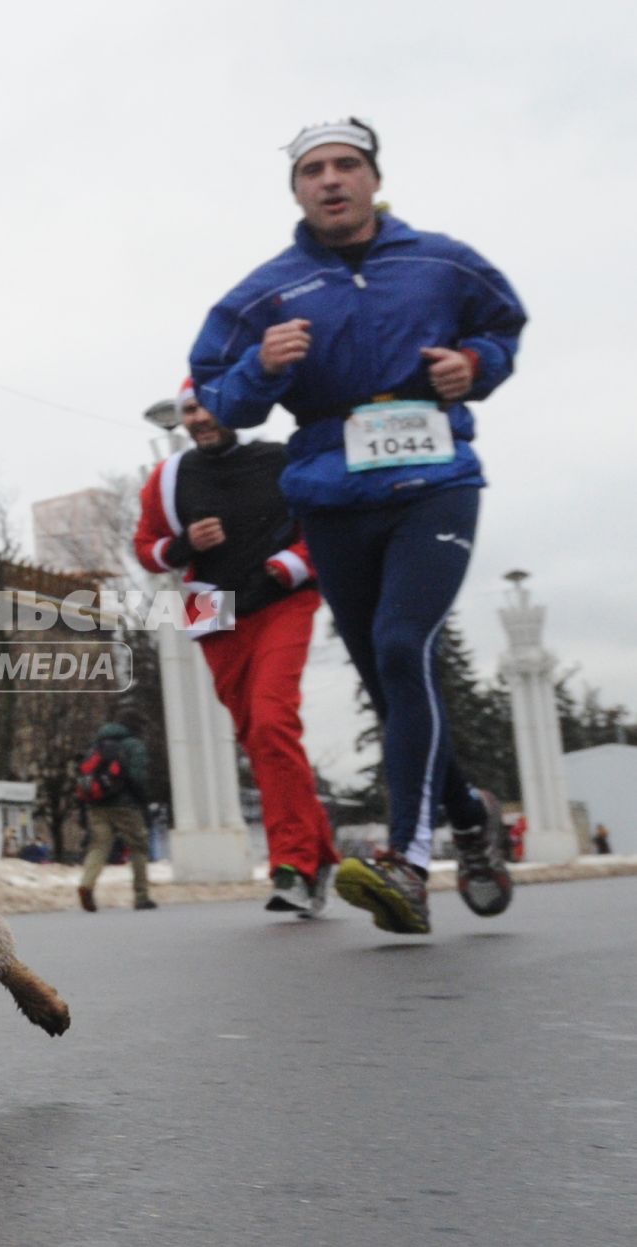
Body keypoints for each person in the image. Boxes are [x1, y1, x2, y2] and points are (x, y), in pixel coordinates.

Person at [190, 117, 527, 934]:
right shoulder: (263, 292)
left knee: (401, 645)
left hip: (432, 479)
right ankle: (470, 818)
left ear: (373, 179)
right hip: (331, 492)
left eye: (346, 165)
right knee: (385, 680)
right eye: (313, 170)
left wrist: (475, 365)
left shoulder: (440, 261)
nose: (331, 180)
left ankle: (408, 863)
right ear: (296, 190)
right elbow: (213, 397)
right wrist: (261, 366)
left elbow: (501, 325)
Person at [135, 378, 339, 918]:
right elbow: (147, 550)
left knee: (273, 723)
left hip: (280, 599)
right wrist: (183, 545)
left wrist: (288, 565)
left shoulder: (279, 459)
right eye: (190, 411)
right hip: (210, 608)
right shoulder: (168, 476)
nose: (200, 418)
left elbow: (325, 522)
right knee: (258, 738)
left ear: (235, 410)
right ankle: (318, 857)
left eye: (208, 407)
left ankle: (293, 865)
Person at [75, 716, 157, 912]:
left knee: (99, 846)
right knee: (138, 847)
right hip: (125, 806)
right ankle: (141, 896)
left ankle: (86, 884)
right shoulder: (133, 746)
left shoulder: (96, 746)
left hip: (97, 805)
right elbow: (137, 777)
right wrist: (142, 801)